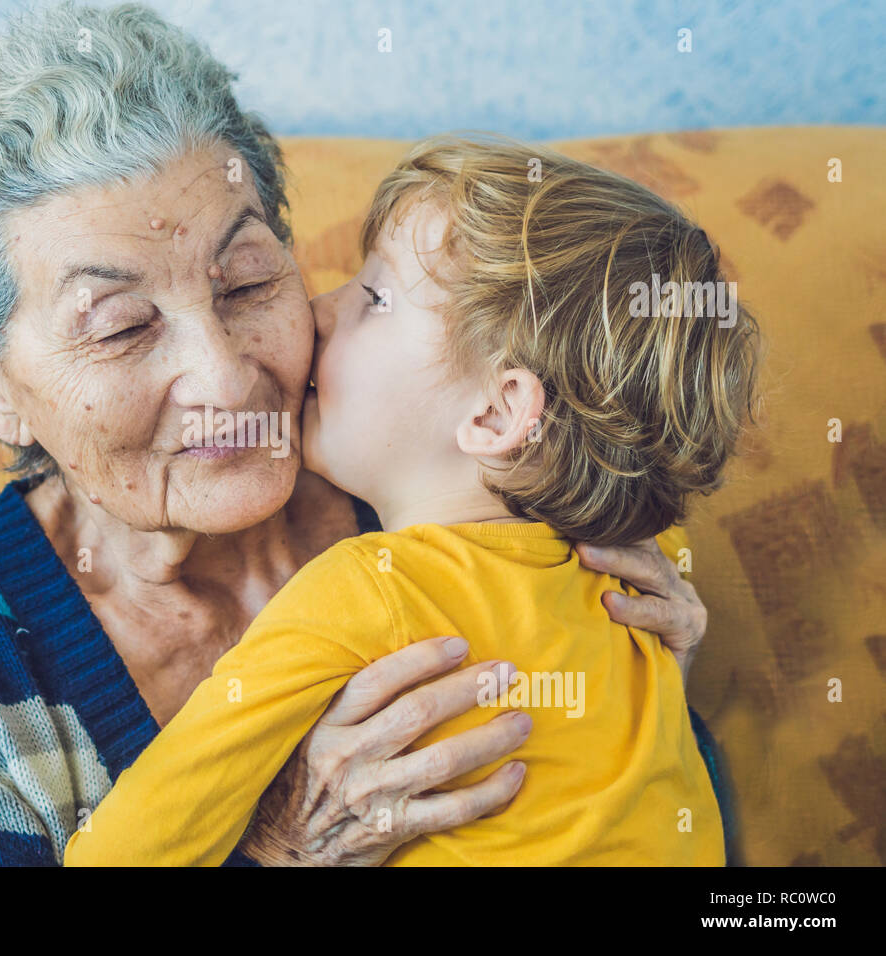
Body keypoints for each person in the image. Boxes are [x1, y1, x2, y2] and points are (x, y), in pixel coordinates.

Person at [0, 5, 723, 867]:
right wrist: (280, 853)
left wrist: (646, 674)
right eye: (121, 326)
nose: (224, 375)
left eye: (248, 281)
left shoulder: (464, 493)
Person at [63, 135, 760, 866]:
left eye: (374, 299)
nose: (320, 307)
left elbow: (125, 852)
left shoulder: (361, 591)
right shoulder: (648, 581)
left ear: (495, 414)